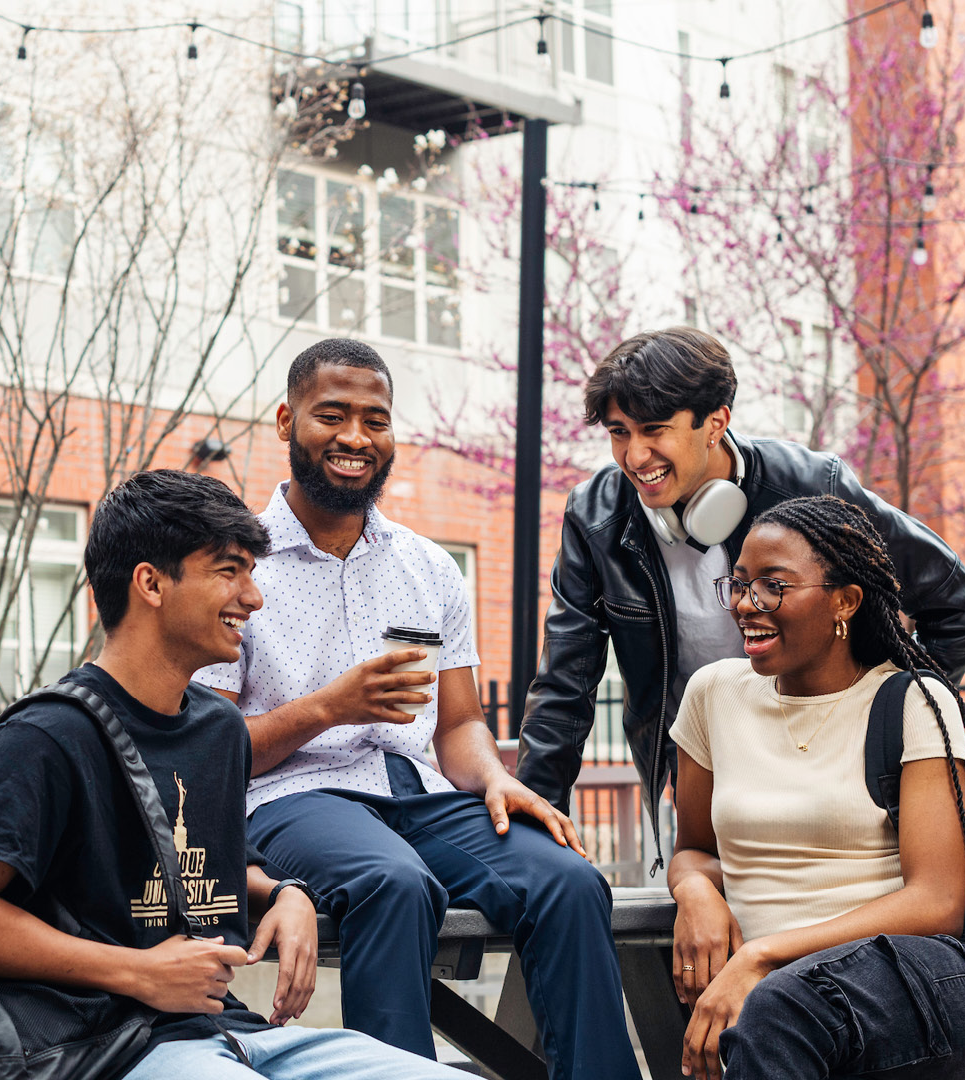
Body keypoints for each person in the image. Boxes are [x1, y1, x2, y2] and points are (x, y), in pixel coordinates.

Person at [0, 469, 477, 1080]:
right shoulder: (49, 734)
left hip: (231, 1034)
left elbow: (207, 858)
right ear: (150, 583)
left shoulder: (215, 728)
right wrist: (137, 971)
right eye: (228, 571)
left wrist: (286, 894)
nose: (254, 598)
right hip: (102, 1046)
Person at [197, 339, 641, 1079]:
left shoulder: (428, 565)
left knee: (569, 881)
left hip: (417, 792)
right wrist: (328, 708)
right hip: (292, 798)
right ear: (285, 422)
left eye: (375, 419)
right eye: (331, 415)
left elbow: (458, 724)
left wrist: (496, 779)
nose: (355, 438)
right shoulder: (233, 565)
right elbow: (211, 751)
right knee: (392, 883)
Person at [514, 326, 965, 863]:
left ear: (716, 421)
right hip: (701, 774)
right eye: (619, 433)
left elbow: (956, 601)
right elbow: (564, 684)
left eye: (654, 430)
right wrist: (536, 825)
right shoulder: (595, 517)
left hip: (831, 762)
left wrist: (890, 725)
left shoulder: (815, 485)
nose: (634, 455)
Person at [665, 494, 965, 1078]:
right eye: (737, 584)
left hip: (918, 983)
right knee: (775, 1011)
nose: (745, 604)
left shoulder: (915, 701)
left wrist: (763, 955)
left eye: (773, 585)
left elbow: (936, 901)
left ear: (846, 601)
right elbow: (695, 850)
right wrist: (696, 891)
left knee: (777, 1006)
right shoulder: (713, 695)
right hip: (784, 1006)